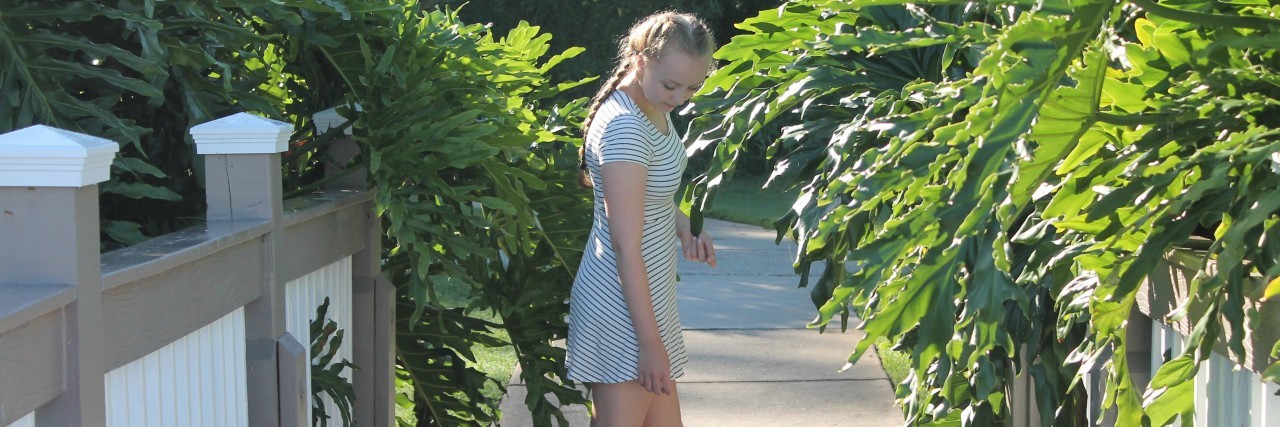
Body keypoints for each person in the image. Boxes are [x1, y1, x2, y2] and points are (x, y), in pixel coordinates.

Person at [565, 10, 718, 427]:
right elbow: (624, 244)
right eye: (671, 84)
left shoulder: (651, 104)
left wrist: (684, 224)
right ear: (640, 60)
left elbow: (646, 193)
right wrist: (649, 344)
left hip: (647, 303)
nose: (680, 97)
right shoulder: (625, 128)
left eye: (691, 87)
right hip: (622, 311)